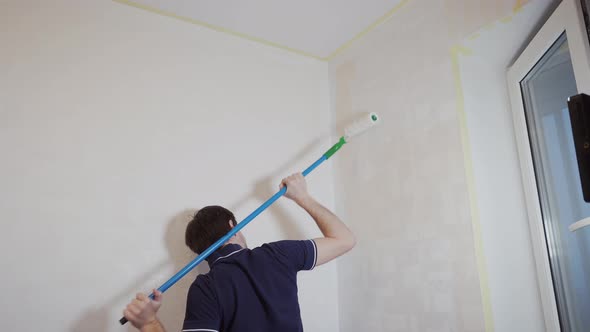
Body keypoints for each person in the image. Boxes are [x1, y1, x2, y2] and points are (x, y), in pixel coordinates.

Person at [123, 173, 356, 332]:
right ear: (233, 225)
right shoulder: (279, 254)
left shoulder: (206, 288)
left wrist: (149, 322)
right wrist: (302, 197)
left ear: (200, 252)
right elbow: (344, 239)